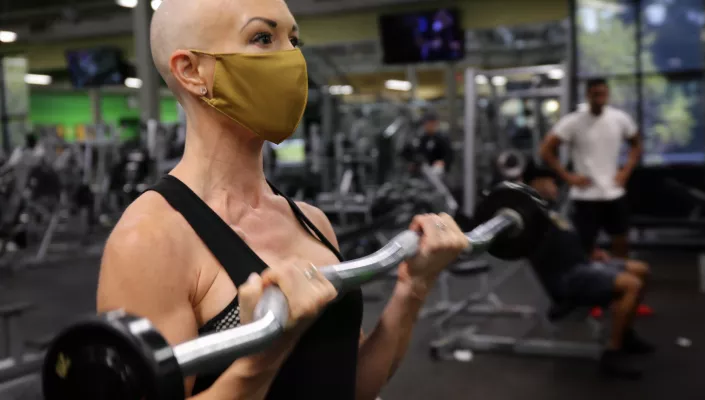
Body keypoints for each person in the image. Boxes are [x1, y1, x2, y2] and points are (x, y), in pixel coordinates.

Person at [97, 1, 469, 399]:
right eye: (262, 38)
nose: (293, 59)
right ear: (191, 71)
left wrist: (413, 286)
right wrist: (262, 358)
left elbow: (352, 384)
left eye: (294, 40)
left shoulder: (312, 221)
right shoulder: (150, 241)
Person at [523, 163, 654, 380]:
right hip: (568, 278)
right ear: (537, 185)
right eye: (551, 182)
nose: (556, 186)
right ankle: (612, 352)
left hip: (582, 265)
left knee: (641, 270)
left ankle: (626, 334)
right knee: (632, 285)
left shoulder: (552, 211)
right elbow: (545, 249)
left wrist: (592, 252)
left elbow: (567, 239)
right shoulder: (531, 215)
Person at [540, 78, 641, 258]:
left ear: (607, 95)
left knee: (620, 240)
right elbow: (546, 149)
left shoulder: (619, 118)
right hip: (586, 195)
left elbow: (636, 145)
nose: (599, 98)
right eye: (595, 95)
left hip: (613, 192)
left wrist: (625, 171)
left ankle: (620, 275)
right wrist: (568, 177)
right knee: (585, 244)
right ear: (588, 95)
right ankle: (594, 279)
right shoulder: (573, 121)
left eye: (602, 94)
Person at [416, 111, 452, 176]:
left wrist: (442, 162)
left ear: (434, 123)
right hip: (426, 170)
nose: (426, 126)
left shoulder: (442, 137)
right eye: (425, 123)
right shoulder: (424, 138)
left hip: (439, 171)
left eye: (428, 123)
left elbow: (449, 154)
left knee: (437, 170)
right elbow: (420, 153)